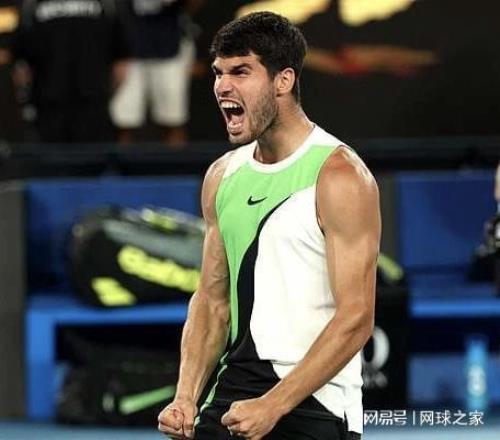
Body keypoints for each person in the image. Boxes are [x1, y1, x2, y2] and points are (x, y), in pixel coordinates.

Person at [158, 11, 380, 440]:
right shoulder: (222, 176)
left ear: (284, 80)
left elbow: (356, 317)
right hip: (234, 391)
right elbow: (212, 300)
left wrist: (274, 405)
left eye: (241, 71)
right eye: (219, 72)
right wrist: (185, 396)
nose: (223, 86)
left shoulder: (340, 176)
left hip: (316, 403)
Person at [14, 0, 130, 143]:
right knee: (94, 155)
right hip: (88, 103)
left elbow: (22, 67)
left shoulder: (33, 6)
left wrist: (25, 100)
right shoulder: (106, 5)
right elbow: (121, 65)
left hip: (53, 104)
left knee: (51, 155)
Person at [110, 0, 201, 146]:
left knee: (173, 120)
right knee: (123, 121)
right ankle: (120, 161)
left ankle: (177, 161)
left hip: (169, 48)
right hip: (129, 51)